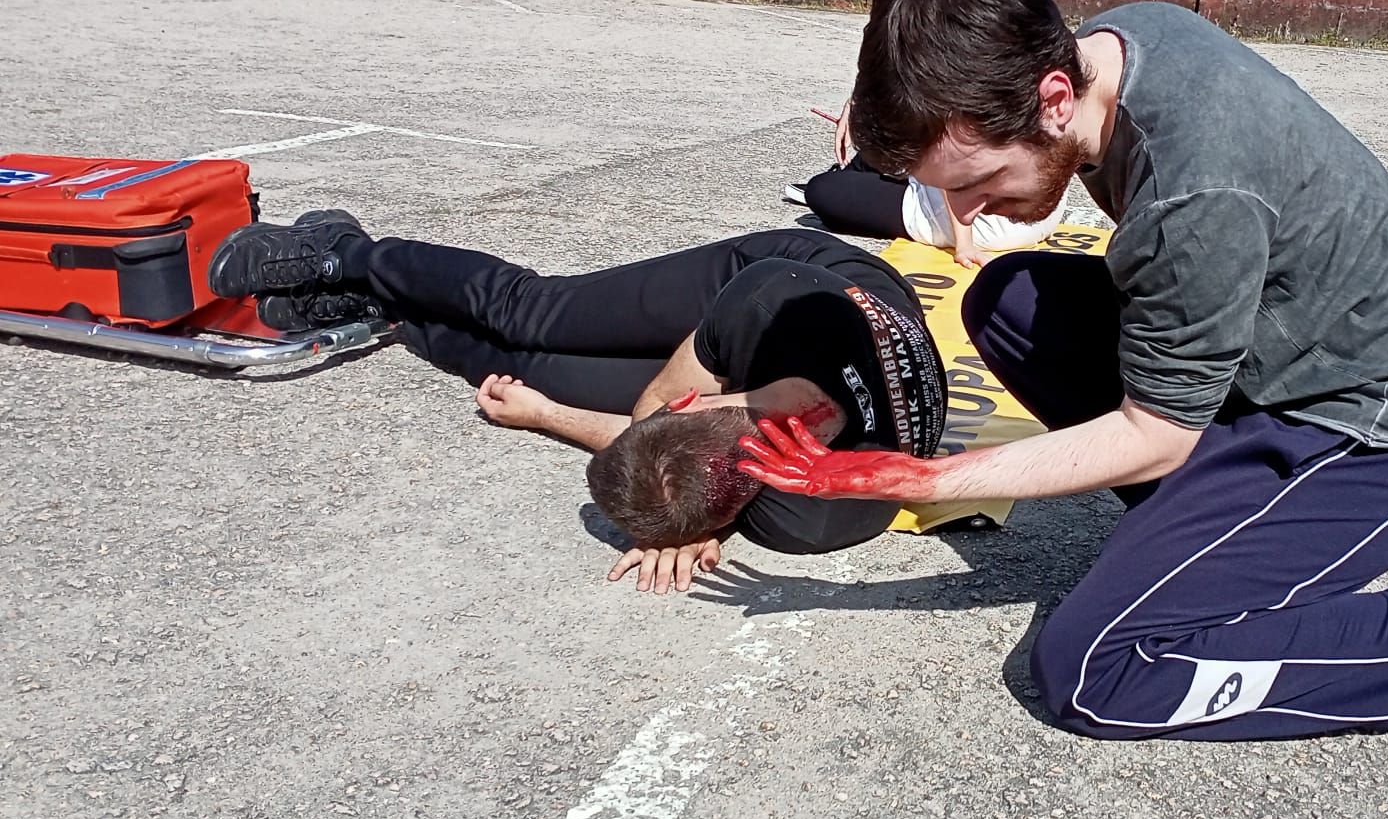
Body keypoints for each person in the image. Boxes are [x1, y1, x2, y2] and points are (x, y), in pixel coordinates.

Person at [738, 0, 1388, 741]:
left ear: (1053, 97)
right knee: (1010, 300)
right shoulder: (1121, 40)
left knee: (1100, 668)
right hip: (1293, 366)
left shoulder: (1193, 191)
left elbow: (1156, 432)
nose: (970, 212)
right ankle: (1209, 550)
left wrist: (924, 477)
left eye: (979, 182)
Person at [206, 214, 946, 591]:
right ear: (693, 405)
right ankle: (349, 251)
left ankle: (384, 310)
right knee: (535, 313)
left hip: (797, 372)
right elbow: (658, 412)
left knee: (534, 370)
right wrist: (688, 505)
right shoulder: (770, 302)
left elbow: (675, 459)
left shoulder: (816, 517)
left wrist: (540, 412)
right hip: (806, 279)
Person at [785, 153, 1065, 267]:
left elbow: (955, 166)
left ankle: (859, 173)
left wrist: (963, 244)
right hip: (1041, 215)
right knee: (882, 141)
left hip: (964, 216)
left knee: (822, 190)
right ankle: (866, 170)